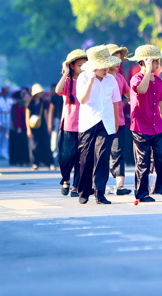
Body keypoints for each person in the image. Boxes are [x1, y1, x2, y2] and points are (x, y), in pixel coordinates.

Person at [76, 46, 123, 204]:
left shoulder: (112, 79)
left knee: (102, 158)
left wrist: (116, 123)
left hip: (107, 123)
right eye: (101, 67)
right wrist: (90, 81)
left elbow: (116, 102)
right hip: (88, 123)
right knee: (86, 159)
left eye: (106, 66)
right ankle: (83, 191)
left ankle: (100, 193)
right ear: (93, 66)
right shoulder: (83, 78)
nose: (105, 70)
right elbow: (82, 100)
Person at [127, 45, 162, 202]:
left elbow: (161, 102)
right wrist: (147, 71)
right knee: (143, 161)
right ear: (144, 62)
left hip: (157, 126)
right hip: (141, 126)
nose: (158, 65)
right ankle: (142, 193)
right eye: (154, 62)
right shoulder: (137, 78)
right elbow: (142, 89)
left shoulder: (159, 80)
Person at [55, 49, 87, 196]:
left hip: (86, 125)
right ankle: (66, 180)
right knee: (67, 156)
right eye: (80, 65)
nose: (83, 68)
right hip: (69, 125)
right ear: (72, 66)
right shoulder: (68, 81)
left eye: (85, 65)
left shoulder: (88, 81)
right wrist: (65, 72)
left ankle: (76, 186)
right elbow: (58, 90)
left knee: (82, 158)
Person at [104, 45, 131, 196]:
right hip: (101, 122)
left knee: (118, 152)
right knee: (101, 153)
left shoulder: (120, 78)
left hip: (119, 122)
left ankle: (120, 186)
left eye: (119, 57)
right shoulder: (99, 78)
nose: (118, 61)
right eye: (114, 57)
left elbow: (130, 95)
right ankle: (99, 184)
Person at [27, 84, 54, 170]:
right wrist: (28, 129)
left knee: (46, 144)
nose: (41, 94)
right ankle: (35, 163)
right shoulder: (30, 104)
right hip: (33, 127)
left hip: (42, 126)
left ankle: (50, 163)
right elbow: (27, 117)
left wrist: (48, 126)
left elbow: (46, 115)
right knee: (35, 145)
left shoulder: (43, 103)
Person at [9, 89, 29, 166]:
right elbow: (17, 116)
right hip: (21, 126)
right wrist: (18, 126)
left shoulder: (30, 103)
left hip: (29, 126)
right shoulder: (19, 103)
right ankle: (20, 160)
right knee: (21, 145)